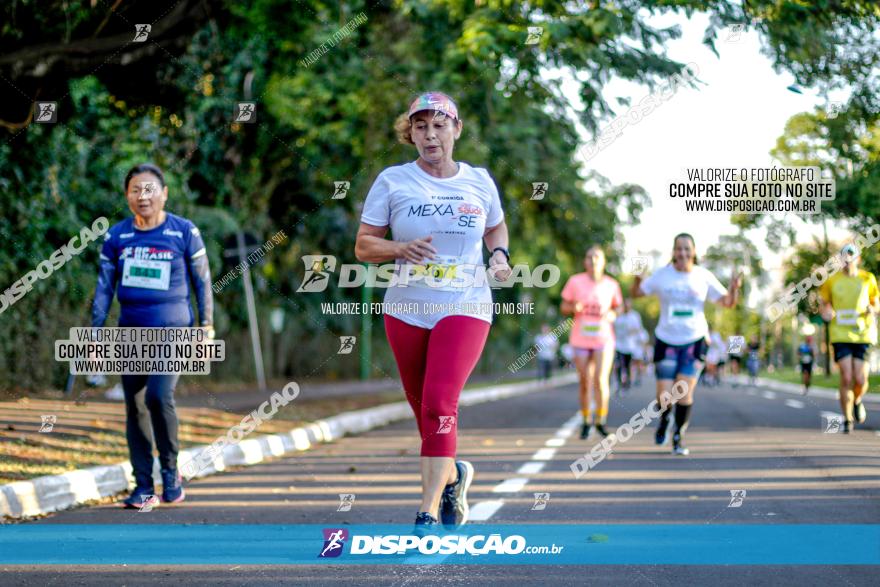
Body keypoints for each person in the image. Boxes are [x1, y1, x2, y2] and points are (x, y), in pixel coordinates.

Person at [355, 91, 511, 531]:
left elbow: (495, 226)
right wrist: (400, 247)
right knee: (424, 409)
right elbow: (364, 245)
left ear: (456, 129)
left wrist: (498, 255)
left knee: (442, 402)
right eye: (420, 126)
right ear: (411, 133)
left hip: (466, 303)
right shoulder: (393, 181)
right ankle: (453, 475)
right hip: (406, 308)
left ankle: (425, 512)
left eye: (439, 125)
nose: (430, 134)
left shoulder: (479, 181)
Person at [91, 163, 214, 508]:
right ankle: (143, 485)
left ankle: (171, 475)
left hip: (173, 330)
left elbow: (203, 280)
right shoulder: (117, 237)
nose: (142, 196)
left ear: (164, 194)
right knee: (135, 405)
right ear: (127, 196)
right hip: (131, 330)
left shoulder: (184, 232)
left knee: (159, 396)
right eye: (135, 190)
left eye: (149, 189)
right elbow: (103, 288)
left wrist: (206, 325)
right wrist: (95, 332)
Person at [632, 233, 741, 455]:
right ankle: (664, 419)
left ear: (694, 252)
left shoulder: (703, 276)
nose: (682, 253)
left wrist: (734, 288)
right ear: (673, 251)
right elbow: (636, 293)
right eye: (678, 249)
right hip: (666, 340)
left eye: (686, 249)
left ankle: (678, 436)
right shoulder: (662, 275)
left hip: (694, 340)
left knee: (683, 392)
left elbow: (727, 303)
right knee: (664, 396)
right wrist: (637, 277)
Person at [560, 245, 623, 439]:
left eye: (597, 257)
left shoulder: (611, 284)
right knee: (585, 382)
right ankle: (586, 421)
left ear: (603, 262)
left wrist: (612, 313)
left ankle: (600, 421)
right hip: (580, 339)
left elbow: (619, 308)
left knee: (601, 380)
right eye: (589, 257)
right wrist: (572, 306)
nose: (593, 260)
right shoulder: (575, 282)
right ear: (584, 261)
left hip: (603, 339)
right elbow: (563, 306)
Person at [818, 243, 879, 433]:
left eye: (851, 256)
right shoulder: (831, 281)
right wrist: (826, 312)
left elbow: (876, 304)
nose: (848, 260)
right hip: (840, 334)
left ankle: (857, 400)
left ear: (858, 259)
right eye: (844, 257)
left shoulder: (867, 278)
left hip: (863, 334)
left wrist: (873, 309)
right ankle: (847, 419)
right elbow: (823, 305)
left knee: (860, 379)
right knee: (846, 376)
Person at [613, 299, 643, 395]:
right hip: (618, 345)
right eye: (624, 305)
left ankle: (627, 384)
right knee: (618, 365)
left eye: (628, 305)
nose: (626, 307)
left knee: (627, 366)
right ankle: (618, 383)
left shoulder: (634, 316)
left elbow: (638, 329)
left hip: (629, 346)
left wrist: (631, 332)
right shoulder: (618, 315)